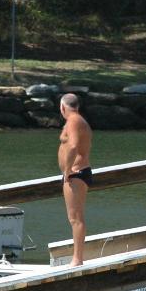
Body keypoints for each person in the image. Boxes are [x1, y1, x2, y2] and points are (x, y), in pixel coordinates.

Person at [57, 92, 92, 266]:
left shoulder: (74, 121)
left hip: (76, 174)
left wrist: (68, 170)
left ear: (62, 107)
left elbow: (73, 145)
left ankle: (77, 259)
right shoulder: (76, 121)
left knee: (75, 217)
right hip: (76, 173)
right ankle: (77, 258)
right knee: (74, 217)